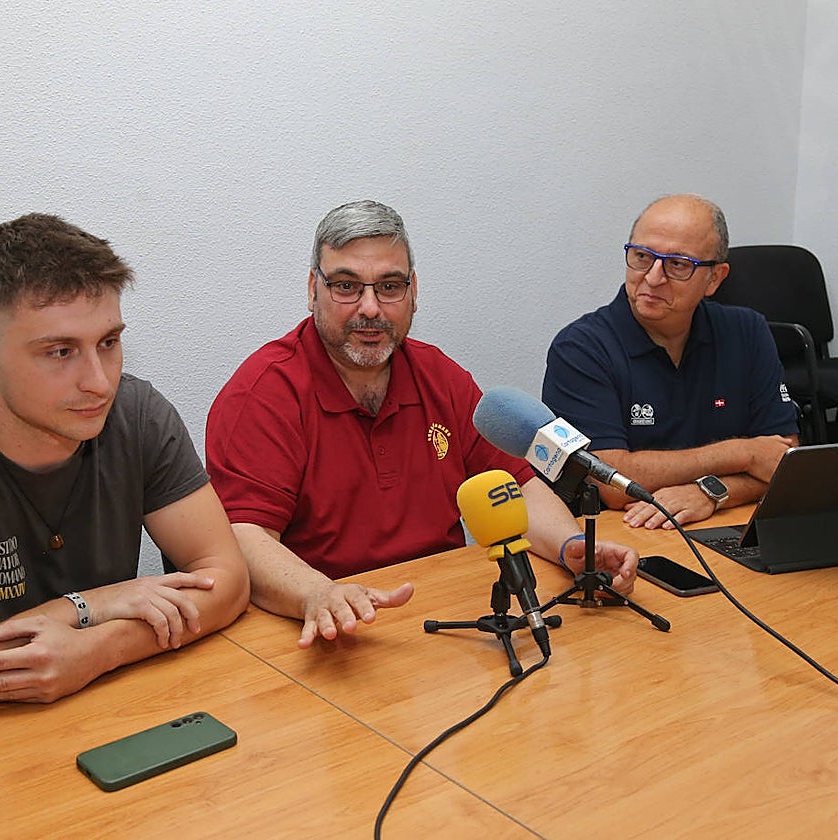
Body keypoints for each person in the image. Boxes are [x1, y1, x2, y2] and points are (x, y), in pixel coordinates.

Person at [0, 213, 249, 731]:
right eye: (60, 352)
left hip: (105, 719)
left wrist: (96, 649)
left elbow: (228, 582)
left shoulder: (137, 415)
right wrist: (89, 606)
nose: (99, 382)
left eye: (109, 343)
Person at [205, 200, 637, 648]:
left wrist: (573, 549)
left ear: (413, 291)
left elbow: (516, 486)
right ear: (313, 289)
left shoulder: (441, 377)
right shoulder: (264, 393)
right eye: (347, 286)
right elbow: (243, 537)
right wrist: (317, 592)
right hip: (323, 630)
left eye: (389, 286)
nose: (370, 308)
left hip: (444, 620)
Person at [541, 194, 800, 530]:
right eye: (642, 256)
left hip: (720, 522)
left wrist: (711, 493)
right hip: (620, 533)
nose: (652, 277)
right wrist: (744, 454)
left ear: (715, 279)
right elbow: (613, 484)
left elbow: (784, 461)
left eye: (677, 264)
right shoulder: (580, 347)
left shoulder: (747, 330)